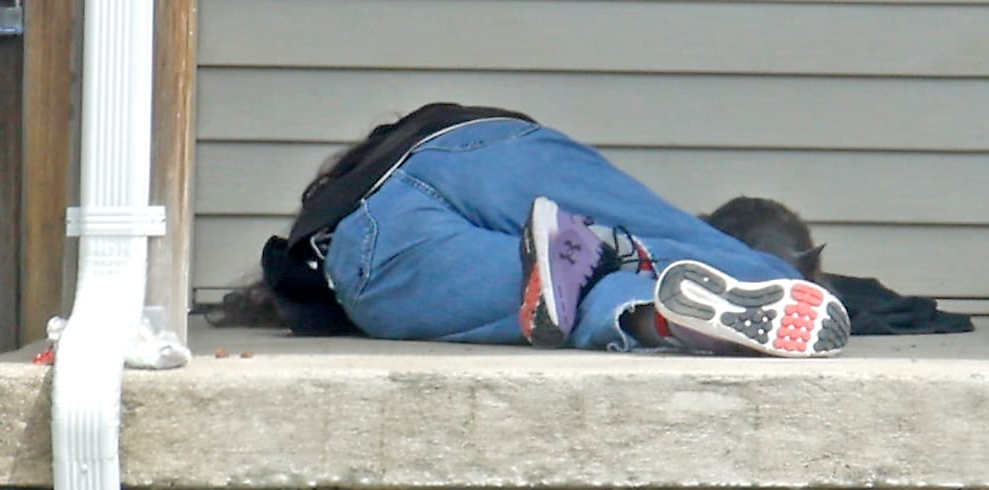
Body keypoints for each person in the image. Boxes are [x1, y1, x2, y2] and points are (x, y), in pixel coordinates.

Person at [253, 102, 849, 358]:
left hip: (383, 228)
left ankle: (653, 309)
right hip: (489, 154)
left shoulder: (336, 215)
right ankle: (694, 300)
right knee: (676, 256)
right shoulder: (438, 129)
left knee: (552, 295)